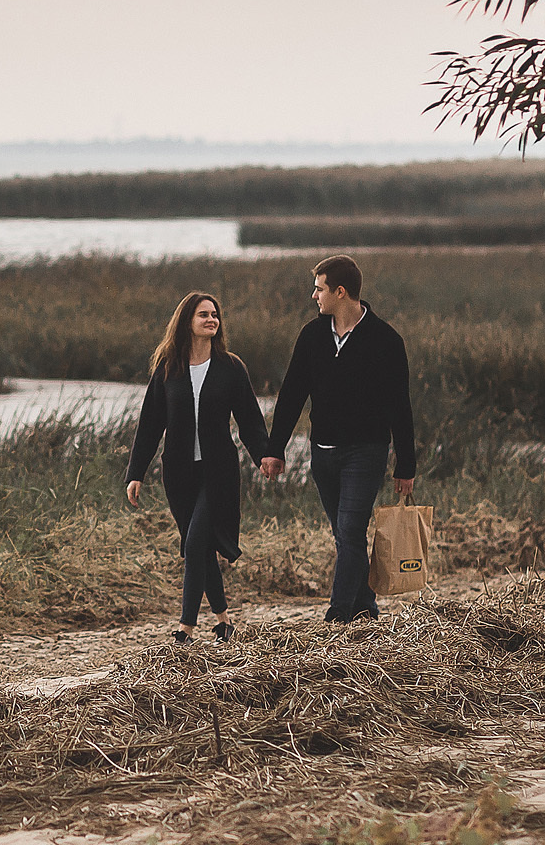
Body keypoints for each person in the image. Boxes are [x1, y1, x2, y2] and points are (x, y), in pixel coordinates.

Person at [262, 254, 416, 624]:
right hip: (323, 454)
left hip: (366, 453)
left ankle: (338, 615)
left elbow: (400, 405)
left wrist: (406, 464)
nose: (314, 296)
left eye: (319, 289)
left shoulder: (386, 340)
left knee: (349, 529)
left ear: (341, 292)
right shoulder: (312, 336)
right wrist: (274, 448)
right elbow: (292, 395)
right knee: (346, 536)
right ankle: (366, 608)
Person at [123, 291, 271, 644]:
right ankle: (223, 621)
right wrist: (135, 473)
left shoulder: (231, 367)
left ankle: (185, 629)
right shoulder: (168, 369)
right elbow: (149, 425)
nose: (211, 319)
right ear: (186, 321)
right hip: (178, 473)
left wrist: (264, 455)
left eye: (215, 314)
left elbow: (250, 419)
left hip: (218, 471)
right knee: (200, 547)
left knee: (194, 543)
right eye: (203, 314)